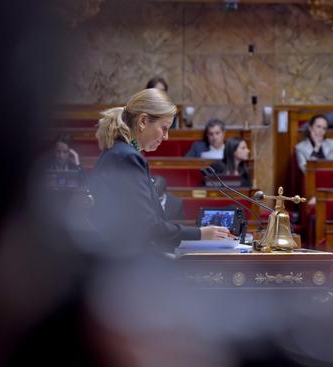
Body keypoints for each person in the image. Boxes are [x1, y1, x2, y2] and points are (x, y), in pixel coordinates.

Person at [88, 88, 230, 252]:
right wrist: (200, 234)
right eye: (164, 127)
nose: (166, 136)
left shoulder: (120, 152)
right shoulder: (127, 157)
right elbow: (148, 227)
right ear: (143, 121)